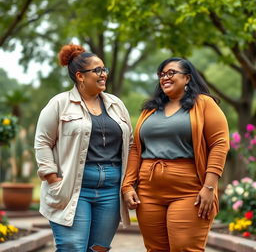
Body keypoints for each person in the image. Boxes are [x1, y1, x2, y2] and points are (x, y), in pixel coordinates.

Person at [122, 57, 230, 252]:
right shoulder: (151, 109)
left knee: (185, 248)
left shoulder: (204, 104)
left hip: (189, 191)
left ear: (187, 78)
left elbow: (219, 144)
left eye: (171, 73)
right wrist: (128, 185)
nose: (165, 77)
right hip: (149, 192)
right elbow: (136, 148)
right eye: (161, 74)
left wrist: (209, 186)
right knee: (155, 249)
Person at [34, 44, 133, 252]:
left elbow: (130, 143)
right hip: (73, 188)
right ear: (80, 76)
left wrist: (129, 183)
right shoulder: (59, 103)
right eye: (97, 70)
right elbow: (43, 141)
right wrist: (51, 176)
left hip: (110, 190)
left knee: (98, 249)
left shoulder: (116, 104)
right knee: (72, 247)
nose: (103, 74)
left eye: (104, 69)